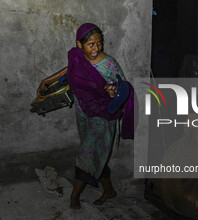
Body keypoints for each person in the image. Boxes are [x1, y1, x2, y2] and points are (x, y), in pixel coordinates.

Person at [38, 23, 134, 210]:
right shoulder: (78, 58)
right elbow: (68, 72)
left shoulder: (109, 64)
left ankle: (75, 196)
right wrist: (47, 80)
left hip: (105, 115)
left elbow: (122, 86)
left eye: (99, 44)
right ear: (79, 45)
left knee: (87, 154)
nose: (96, 49)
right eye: (91, 44)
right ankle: (109, 190)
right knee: (96, 153)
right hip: (84, 113)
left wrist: (113, 91)